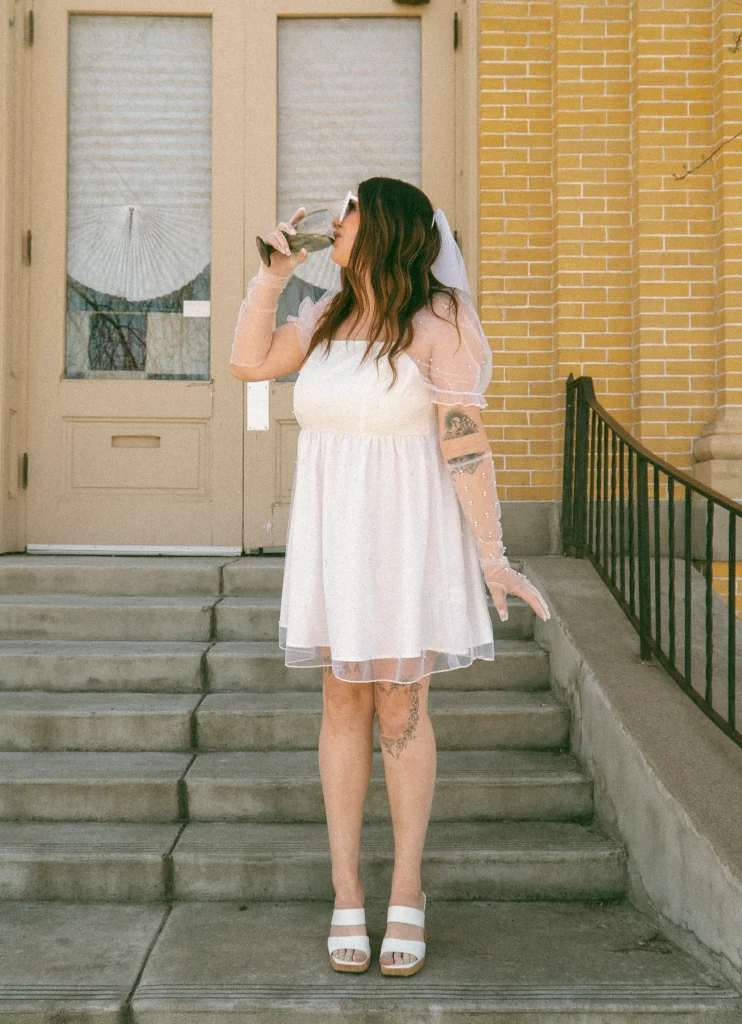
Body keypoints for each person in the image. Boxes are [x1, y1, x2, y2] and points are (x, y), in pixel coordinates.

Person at [231, 177, 550, 977]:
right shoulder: (327, 314)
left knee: (401, 706)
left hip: (407, 533)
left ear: (384, 228)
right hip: (334, 532)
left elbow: (463, 440)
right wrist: (270, 275)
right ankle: (347, 890)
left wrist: (492, 556)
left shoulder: (439, 320)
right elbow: (248, 363)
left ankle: (405, 887)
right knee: (342, 697)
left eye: (346, 212)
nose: (331, 224)